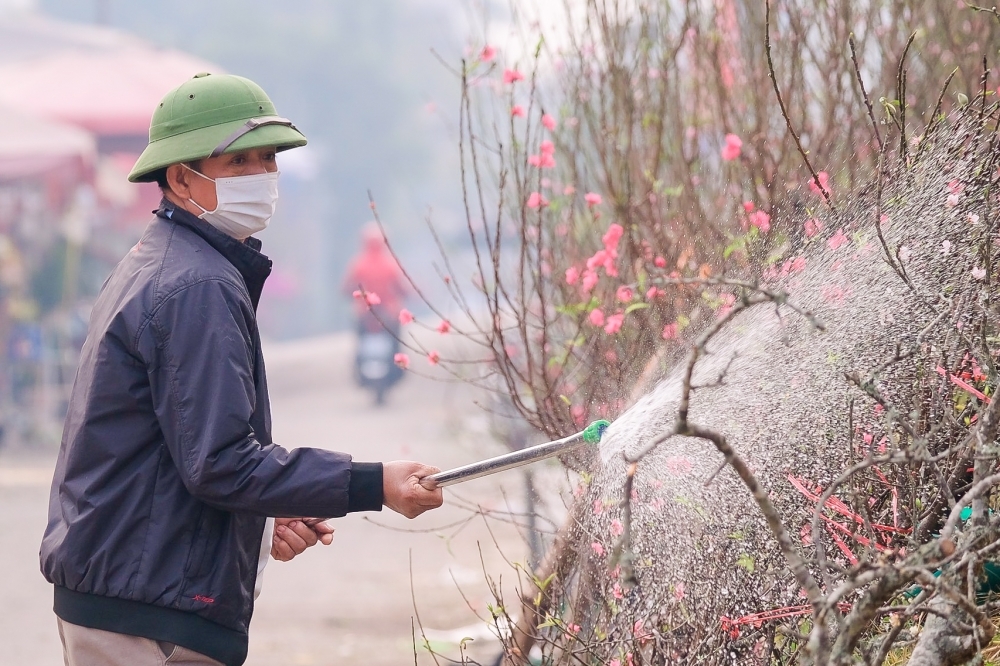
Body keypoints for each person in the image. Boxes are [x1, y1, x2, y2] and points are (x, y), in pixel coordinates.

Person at [39, 72, 444, 666]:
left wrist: (260, 511)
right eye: (239, 163)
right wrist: (374, 483)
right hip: (144, 615)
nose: (262, 177)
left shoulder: (169, 263)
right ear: (181, 177)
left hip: (133, 591)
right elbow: (222, 462)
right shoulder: (195, 283)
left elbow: (174, 451)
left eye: (268, 160)